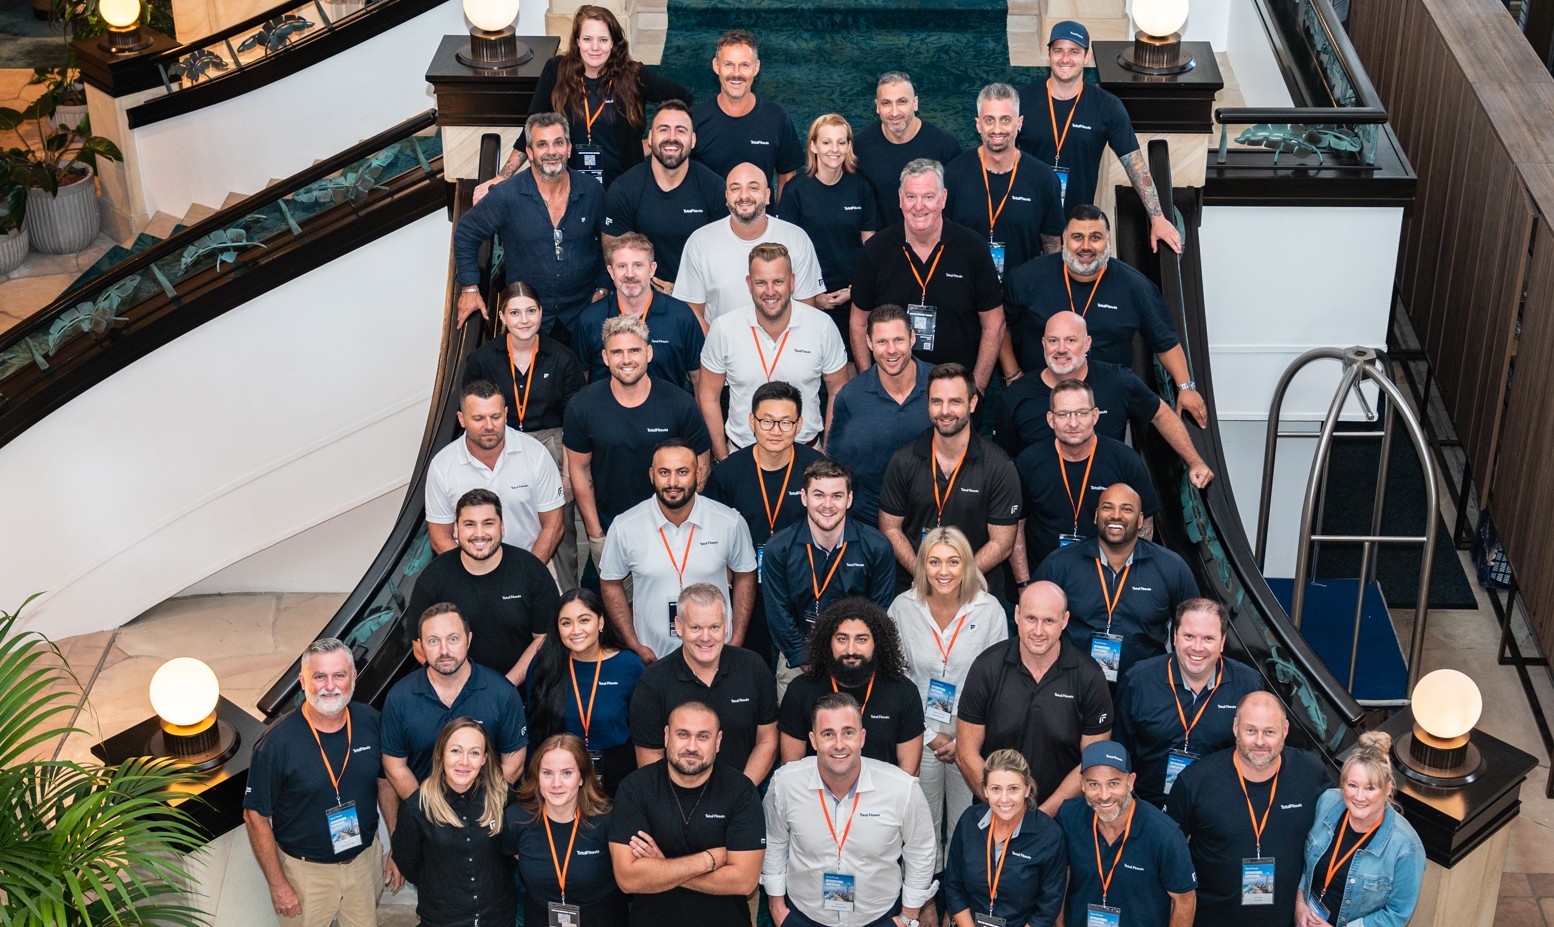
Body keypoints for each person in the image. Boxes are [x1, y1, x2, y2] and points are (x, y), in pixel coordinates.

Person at [1003, 206, 1206, 427]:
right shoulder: (1026, 277)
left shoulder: (1136, 287)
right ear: (1064, 239)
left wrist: (1186, 388)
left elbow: (1165, 342)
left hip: (1105, 401)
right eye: (1077, 237)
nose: (1086, 246)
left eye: (1096, 237)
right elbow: (1001, 326)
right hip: (1041, 395)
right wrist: (1013, 375)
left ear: (1108, 240)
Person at [244, 638, 401, 926]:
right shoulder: (276, 742)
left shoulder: (370, 722)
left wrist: (398, 846)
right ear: (303, 682)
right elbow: (255, 816)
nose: (330, 685)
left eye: (339, 675)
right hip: (306, 875)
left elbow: (386, 783)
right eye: (319, 676)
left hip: (363, 863)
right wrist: (278, 884)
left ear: (353, 678)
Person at [762, 692, 938, 927]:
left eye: (848, 732)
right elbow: (774, 842)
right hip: (804, 916)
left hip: (879, 918)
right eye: (828, 734)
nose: (839, 744)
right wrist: (777, 908)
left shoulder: (902, 789)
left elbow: (921, 850)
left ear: (862, 737)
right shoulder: (785, 783)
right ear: (813, 741)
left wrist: (908, 916)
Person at [888, 526, 1009, 865]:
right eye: (935, 562)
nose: (944, 572)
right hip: (919, 732)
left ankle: (957, 902)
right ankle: (923, 900)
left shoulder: (989, 611)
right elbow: (895, 677)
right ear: (922, 565)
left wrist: (962, 738)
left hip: (970, 735)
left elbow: (997, 683)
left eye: (953, 562)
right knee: (920, 824)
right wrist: (927, 735)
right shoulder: (902, 608)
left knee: (965, 825)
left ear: (967, 565)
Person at [995, 312, 1215, 490]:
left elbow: (1160, 413)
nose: (1061, 349)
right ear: (1043, 343)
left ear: (1088, 343)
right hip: (1041, 511)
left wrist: (1194, 461)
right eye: (1054, 340)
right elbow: (1003, 462)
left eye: (1071, 340)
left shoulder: (1118, 381)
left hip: (1106, 509)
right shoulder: (1016, 396)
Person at [1014, 21, 1182, 253]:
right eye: (1058, 50)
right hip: (1025, 217)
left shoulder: (1107, 107)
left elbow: (1136, 166)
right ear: (1049, 54)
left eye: (1074, 51)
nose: (1065, 58)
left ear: (1087, 56)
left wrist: (1158, 217)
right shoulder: (1021, 100)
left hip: (1077, 226)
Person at [564, 315, 713, 575]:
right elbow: (579, 470)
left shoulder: (679, 403)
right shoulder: (582, 405)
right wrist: (595, 533)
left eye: (634, 350)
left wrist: (681, 523)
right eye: (617, 352)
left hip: (671, 532)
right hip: (611, 532)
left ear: (649, 353)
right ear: (605, 357)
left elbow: (701, 463)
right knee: (609, 611)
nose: (626, 360)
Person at [1168, 692, 1332, 927]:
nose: (1260, 742)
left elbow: (1347, 817)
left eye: (1269, 732)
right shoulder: (1195, 781)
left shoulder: (1310, 773)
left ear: (1285, 730)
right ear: (1236, 727)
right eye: (1251, 730)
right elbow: (1167, 854)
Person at [485, 5, 692, 190]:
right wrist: (502, 177)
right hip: (569, 186)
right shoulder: (556, 70)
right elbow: (532, 129)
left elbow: (684, 98)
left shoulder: (633, 76)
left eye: (603, 40)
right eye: (587, 39)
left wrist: (652, 143)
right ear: (577, 41)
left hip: (622, 187)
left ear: (613, 43)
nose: (594, 47)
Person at [460, 283, 585, 580]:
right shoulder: (482, 359)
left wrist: (568, 476)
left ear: (541, 313)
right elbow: (471, 415)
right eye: (515, 313)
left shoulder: (562, 357)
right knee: (498, 520)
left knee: (559, 532)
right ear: (502, 317)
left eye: (530, 311)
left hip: (551, 446)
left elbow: (574, 422)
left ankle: (566, 602)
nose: (524, 320)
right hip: (498, 447)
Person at [957, 581, 1112, 817]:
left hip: (1062, 820)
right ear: (1017, 614)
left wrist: (1039, 818)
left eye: (1048, 621)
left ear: (1065, 621)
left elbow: (1092, 762)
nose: (1038, 631)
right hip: (994, 814)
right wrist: (1004, 807)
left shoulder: (1089, 677)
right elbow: (966, 753)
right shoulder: (986, 667)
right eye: (1031, 618)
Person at [610, 700, 767, 927]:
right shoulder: (635, 788)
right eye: (683, 734)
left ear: (718, 741)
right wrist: (708, 860)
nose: (691, 746)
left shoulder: (740, 791)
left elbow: (744, 881)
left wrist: (662, 866)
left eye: (703, 736)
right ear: (666, 736)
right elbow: (627, 878)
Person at [850, 158, 1004, 388]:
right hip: (892, 392)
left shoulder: (973, 248)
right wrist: (868, 383)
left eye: (928, 197)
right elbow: (858, 323)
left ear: (943, 198)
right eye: (911, 197)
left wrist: (977, 389)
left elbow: (994, 325)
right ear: (900, 199)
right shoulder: (876, 250)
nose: (919, 206)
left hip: (956, 391)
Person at [703, 380, 827, 666]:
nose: (775, 431)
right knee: (751, 666)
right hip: (748, 592)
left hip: (805, 591)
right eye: (767, 421)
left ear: (799, 425)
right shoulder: (729, 473)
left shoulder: (816, 468)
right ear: (751, 421)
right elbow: (713, 535)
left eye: (785, 422)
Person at [600, 439, 758, 660]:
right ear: (651, 475)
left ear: (699, 473)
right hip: (653, 659)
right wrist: (635, 645)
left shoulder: (729, 521)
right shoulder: (625, 526)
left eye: (682, 471)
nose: (673, 482)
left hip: (716, 655)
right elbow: (610, 583)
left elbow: (746, 575)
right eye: (664, 472)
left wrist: (736, 639)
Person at [455, 112, 609, 335]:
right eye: (542, 144)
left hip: (583, 314)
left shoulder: (592, 191)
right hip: (528, 321)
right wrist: (470, 288)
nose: (551, 152)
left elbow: (609, 242)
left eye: (558, 143)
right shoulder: (506, 196)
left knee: (584, 370)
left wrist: (603, 287)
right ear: (529, 152)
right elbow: (466, 233)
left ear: (569, 148)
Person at [878, 363, 1022, 595]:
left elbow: (1002, 544)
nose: (945, 411)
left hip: (975, 591)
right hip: (914, 590)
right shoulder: (903, 460)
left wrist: (956, 580)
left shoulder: (999, 466)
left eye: (955, 401)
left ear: (972, 403)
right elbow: (890, 528)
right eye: (937, 402)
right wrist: (924, 576)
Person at [1033, 483, 1199, 683]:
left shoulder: (1172, 567)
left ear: (1140, 521)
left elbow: (1194, 629)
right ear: (1096, 516)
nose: (1116, 515)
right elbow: (1031, 622)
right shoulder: (1060, 564)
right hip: (1070, 685)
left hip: (1144, 687)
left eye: (1126, 509)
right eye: (1107, 507)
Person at [698, 242, 850, 460]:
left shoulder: (822, 326)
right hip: (742, 455)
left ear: (792, 282)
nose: (770, 292)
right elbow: (707, 395)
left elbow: (838, 391)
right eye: (761, 282)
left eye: (778, 282)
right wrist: (723, 458)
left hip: (806, 455)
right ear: (749, 284)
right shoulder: (724, 328)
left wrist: (826, 455)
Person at [1114, 598, 1264, 807]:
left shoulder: (1247, 684)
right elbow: (1120, 749)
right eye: (1189, 636)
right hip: (1147, 807)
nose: (1197, 647)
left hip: (1217, 807)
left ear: (1222, 642)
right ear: (1174, 636)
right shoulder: (1138, 680)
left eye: (1208, 639)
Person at [405, 489, 561, 685]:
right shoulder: (434, 577)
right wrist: (464, 687)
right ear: (456, 530)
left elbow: (545, 639)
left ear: (502, 527)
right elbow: (419, 645)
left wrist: (505, 687)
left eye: (488, 523)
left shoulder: (531, 571)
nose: (479, 534)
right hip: (457, 695)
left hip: (523, 694)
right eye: (469, 524)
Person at [762, 459, 896, 688]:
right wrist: (804, 658)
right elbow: (778, 613)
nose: (827, 505)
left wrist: (851, 654)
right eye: (819, 495)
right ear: (804, 498)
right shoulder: (778, 548)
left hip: (856, 658)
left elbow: (879, 610)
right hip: (798, 660)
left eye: (836, 496)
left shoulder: (877, 546)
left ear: (849, 499)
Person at [628, 583, 780, 783]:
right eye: (696, 627)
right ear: (679, 626)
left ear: (726, 625)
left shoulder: (753, 667)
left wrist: (741, 793)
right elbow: (650, 760)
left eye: (714, 627)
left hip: (743, 795)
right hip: (677, 804)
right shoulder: (653, 683)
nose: (706, 637)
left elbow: (768, 739)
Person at [381, 604, 529, 798]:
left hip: (487, 816)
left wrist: (483, 807)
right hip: (425, 817)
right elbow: (395, 766)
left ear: (468, 640)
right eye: (433, 641)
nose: (444, 650)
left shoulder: (501, 692)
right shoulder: (400, 697)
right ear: (420, 646)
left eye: (453, 639)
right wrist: (425, 813)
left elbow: (513, 761)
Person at [1011, 379, 1160, 570]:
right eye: (1063, 414)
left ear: (1095, 416)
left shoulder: (1125, 460)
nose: (1073, 423)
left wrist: (1128, 574)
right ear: (1051, 419)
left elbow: (1144, 522)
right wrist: (1024, 584)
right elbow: (1016, 526)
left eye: (1081, 413)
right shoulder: (1028, 462)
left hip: (1108, 577)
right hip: (1046, 579)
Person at [1055, 741, 1197, 927]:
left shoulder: (1164, 834)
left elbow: (1185, 900)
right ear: (1082, 785)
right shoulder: (1069, 817)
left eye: (1113, 783)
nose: (1104, 795)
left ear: (1130, 782)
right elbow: (1060, 876)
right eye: (1093, 784)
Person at [390, 718, 516, 927]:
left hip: (498, 918)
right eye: (456, 751)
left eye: (474, 753)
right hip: (442, 920)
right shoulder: (417, 807)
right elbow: (408, 863)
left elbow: (512, 854)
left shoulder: (503, 797)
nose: (464, 761)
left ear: (484, 759)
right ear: (440, 753)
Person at [425, 378, 565, 565]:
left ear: (506, 414)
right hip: (468, 576)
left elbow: (554, 524)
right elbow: (439, 535)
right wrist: (471, 575)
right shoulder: (442, 465)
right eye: (478, 418)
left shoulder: (536, 454)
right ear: (462, 419)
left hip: (530, 565)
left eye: (495, 416)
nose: (489, 426)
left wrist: (529, 573)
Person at [778, 597, 925, 774]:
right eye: (842, 639)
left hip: (884, 799)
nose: (851, 650)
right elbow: (790, 770)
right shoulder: (800, 691)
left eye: (861, 640)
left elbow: (909, 775)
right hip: (817, 798)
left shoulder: (904, 692)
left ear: (877, 643)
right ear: (828, 642)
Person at [525, 588, 646, 795]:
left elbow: (643, 730)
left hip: (620, 779)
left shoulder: (629, 665)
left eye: (584, 620)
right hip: (559, 781)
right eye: (566, 623)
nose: (575, 630)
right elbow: (534, 730)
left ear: (600, 622)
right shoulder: (544, 665)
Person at [1296, 732, 1424, 927]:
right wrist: (1299, 904)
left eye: (1370, 788)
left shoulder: (1407, 847)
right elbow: (1305, 862)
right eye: (1352, 785)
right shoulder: (1327, 802)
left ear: (1388, 789)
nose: (1359, 796)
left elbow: (1397, 914)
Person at [675, 162, 825, 328]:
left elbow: (806, 308)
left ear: (768, 195)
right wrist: (714, 349)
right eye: (735, 188)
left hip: (783, 349)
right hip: (721, 351)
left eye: (753, 188)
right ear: (726, 196)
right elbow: (693, 311)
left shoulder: (796, 239)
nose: (743, 196)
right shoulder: (700, 242)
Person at [943, 82, 1063, 282]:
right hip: (966, 294)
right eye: (989, 120)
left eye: (1005, 120)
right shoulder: (951, 176)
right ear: (978, 124)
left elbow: (1052, 245)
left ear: (1019, 123)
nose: (997, 129)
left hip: (1022, 295)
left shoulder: (1044, 179)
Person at [603, 100, 729, 289]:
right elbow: (615, 256)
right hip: (641, 298)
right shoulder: (624, 189)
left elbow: (723, 256)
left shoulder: (715, 188)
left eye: (680, 130)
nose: (672, 137)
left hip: (700, 299)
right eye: (663, 129)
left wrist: (684, 294)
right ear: (651, 138)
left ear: (693, 140)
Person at [506, 733, 628, 926]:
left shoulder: (608, 820)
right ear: (537, 776)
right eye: (547, 773)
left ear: (582, 777)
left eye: (567, 773)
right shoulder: (516, 820)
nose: (556, 783)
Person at [825, 305, 932, 525]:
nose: (891, 350)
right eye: (882, 342)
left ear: (912, 338)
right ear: (869, 343)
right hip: (870, 519)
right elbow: (835, 466)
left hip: (934, 516)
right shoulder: (851, 396)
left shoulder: (942, 385)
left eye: (898, 340)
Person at [777, 113, 880, 336]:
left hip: (852, 295)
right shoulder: (795, 190)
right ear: (813, 146)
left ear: (848, 146)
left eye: (841, 142)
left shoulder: (861, 187)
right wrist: (811, 296)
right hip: (806, 297)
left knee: (852, 365)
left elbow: (871, 249)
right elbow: (785, 252)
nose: (834, 149)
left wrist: (855, 290)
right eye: (826, 142)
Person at [943, 749, 1067, 927]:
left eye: (1013, 789)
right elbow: (954, 886)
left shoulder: (1050, 836)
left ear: (1027, 789)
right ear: (985, 790)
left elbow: (1048, 906)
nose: (1004, 799)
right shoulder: (969, 821)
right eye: (995, 789)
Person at [574, 233, 706, 388]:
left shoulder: (681, 316)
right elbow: (580, 383)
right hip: (607, 411)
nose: (630, 274)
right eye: (622, 266)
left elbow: (699, 380)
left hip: (667, 411)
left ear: (652, 269)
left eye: (638, 265)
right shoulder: (590, 319)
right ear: (610, 271)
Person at [691, 30, 805, 193]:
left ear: (756, 67)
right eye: (728, 64)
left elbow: (787, 178)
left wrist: (781, 219)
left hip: (763, 218)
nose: (736, 73)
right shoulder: (694, 118)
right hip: (710, 219)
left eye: (744, 65)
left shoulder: (777, 117)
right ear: (716, 66)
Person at [852, 71, 962, 226]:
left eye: (902, 101)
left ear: (915, 103)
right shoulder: (859, 147)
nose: (894, 112)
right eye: (886, 103)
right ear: (877, 106)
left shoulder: (945, 147)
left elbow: (957, 206)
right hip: (880, 246)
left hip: (935, 245)